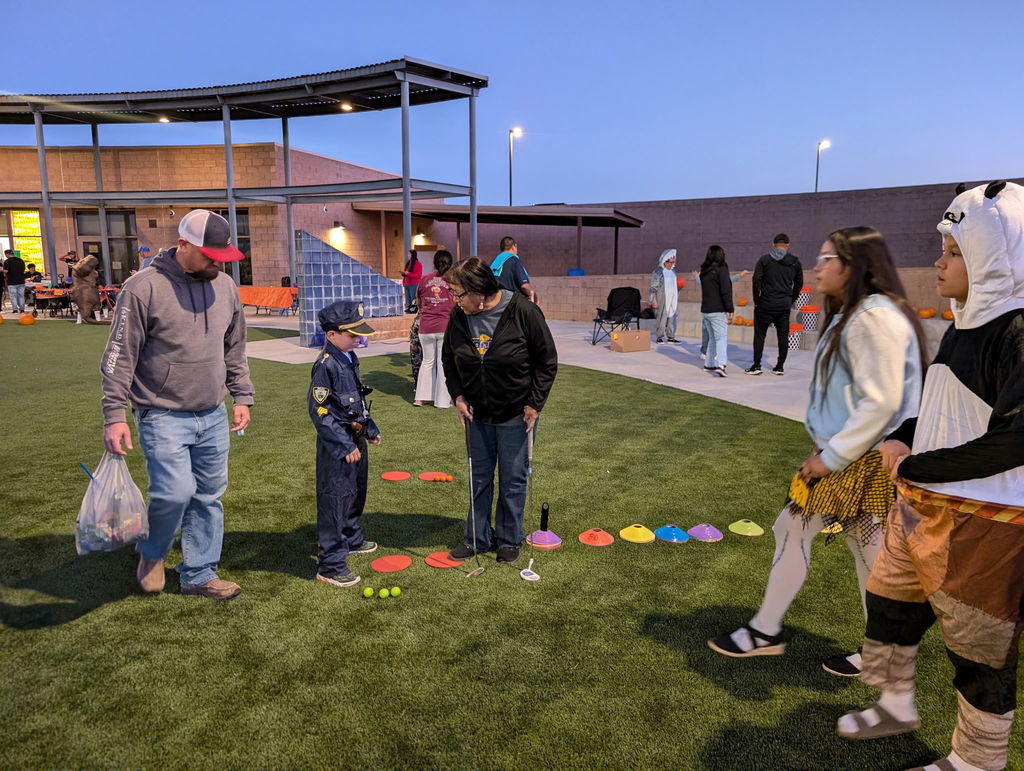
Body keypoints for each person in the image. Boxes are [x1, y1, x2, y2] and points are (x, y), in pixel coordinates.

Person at [837, 181, 1024, 771]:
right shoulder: (963, 324)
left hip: (986, 525)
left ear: (997, 256)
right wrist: (905, 436)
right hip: (921, 507)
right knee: (889, 608)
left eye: (954, 250)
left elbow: (1017, 437)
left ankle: (977, 759)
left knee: (980, 653)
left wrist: (917, 465)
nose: (939, 262)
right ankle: (896, 705)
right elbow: (943, 408)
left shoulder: (1016, 333)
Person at [709, 226, 926, 678]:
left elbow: (882, 400)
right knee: (866, 552)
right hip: (857, 452)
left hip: (857, 457)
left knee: (795, 529)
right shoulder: (863, 313)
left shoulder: (871, 317)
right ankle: (880, 653)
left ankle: (767, 630)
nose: (818, 266)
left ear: (853, 267)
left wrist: (830, 457)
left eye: (828, 258)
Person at [100, 209, 253, 600]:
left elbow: (234, 349)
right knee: (174, 493)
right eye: (209, 255)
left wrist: (242, 396)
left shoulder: (226, 289)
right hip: (162, 412)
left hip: (213, 413)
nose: (216, 264)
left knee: (208, 495)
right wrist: (114, 414)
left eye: (222, 257)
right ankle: (153, 553)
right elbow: (120, 355)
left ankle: (199, 573)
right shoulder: (142, 288)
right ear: (182, 244)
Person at [441, 258, 558, 564]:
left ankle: (508, 539)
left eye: (459, 294)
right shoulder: (458, 316)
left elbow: (547, 361)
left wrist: (534, 402)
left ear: (479, 291)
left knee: (512, 480)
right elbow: (449, 359)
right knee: (478, 478)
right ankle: (477, 537)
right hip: (477, 414)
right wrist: (458, 395)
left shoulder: (523, 311)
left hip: (515, 413)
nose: (456, 301)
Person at [308, 300, 382, 588]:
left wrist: (369, 429)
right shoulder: (325, 365)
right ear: (331, 335)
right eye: (352, 335)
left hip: (354, 439)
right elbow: (320, 411)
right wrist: (343, 444)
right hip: (337, 446)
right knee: (335, 500)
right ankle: (331, 564)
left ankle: (351, 538)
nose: (358, 339)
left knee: (355, 492)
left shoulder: (348, 358)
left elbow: (355, 401)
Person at [747, 234, 803, 375]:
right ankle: (779, 366)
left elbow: (756, 280)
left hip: (765, 303)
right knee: (783, 336)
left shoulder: (764, 260)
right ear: (788, 245)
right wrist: (791, 299)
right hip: (784, 305)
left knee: (760, 335)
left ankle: (757, 365)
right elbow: (799, 284)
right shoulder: (795, 262)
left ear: (773, 244)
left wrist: (757, 300)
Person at [414, 249, 455, 408]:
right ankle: (442, 402)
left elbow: (419, 303)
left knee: (427, 362)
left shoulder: (424, 279)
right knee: (442, 363)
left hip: (426, 327)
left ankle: (420, 398)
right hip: (445, 326)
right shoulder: (452, 281)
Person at [699, 245, 734, 376]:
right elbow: (726, 290)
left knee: (713, 338)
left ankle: (709, 364)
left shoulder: (704, 270)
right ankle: (721, 364)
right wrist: (730, 309)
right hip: (718, 310)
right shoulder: (721, 269)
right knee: (721, 338)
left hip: (706, 310)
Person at [649, 249, 679, 343]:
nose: (671, 264)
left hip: (672, 298)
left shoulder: (673, 272)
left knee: (671, 318)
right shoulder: (658, 272)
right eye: (669, 262)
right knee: (661, 317)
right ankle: (660, 337)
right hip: (662, 298)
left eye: (673, 262)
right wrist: (653, 299)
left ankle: (671, 336)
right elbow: (653, 287)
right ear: (664, 261)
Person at [71, 255, 109, 325]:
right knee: (86, 311)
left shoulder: (89, 270)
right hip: (83, 291)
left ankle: (96, 319)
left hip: (90, 290)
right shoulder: (80, 269)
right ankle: (93, 319)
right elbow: (83, 270)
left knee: (95, 307)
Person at [3, 248, 26, 314]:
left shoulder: (7, 261)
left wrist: (2, 270)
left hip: (12, 282)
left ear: (7, 254)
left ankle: (15, 309)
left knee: (13, 296)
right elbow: (23, 269)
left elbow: (6, 271)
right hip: (21, 281)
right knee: (21, 296)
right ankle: (22, 309)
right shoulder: (20, 260)